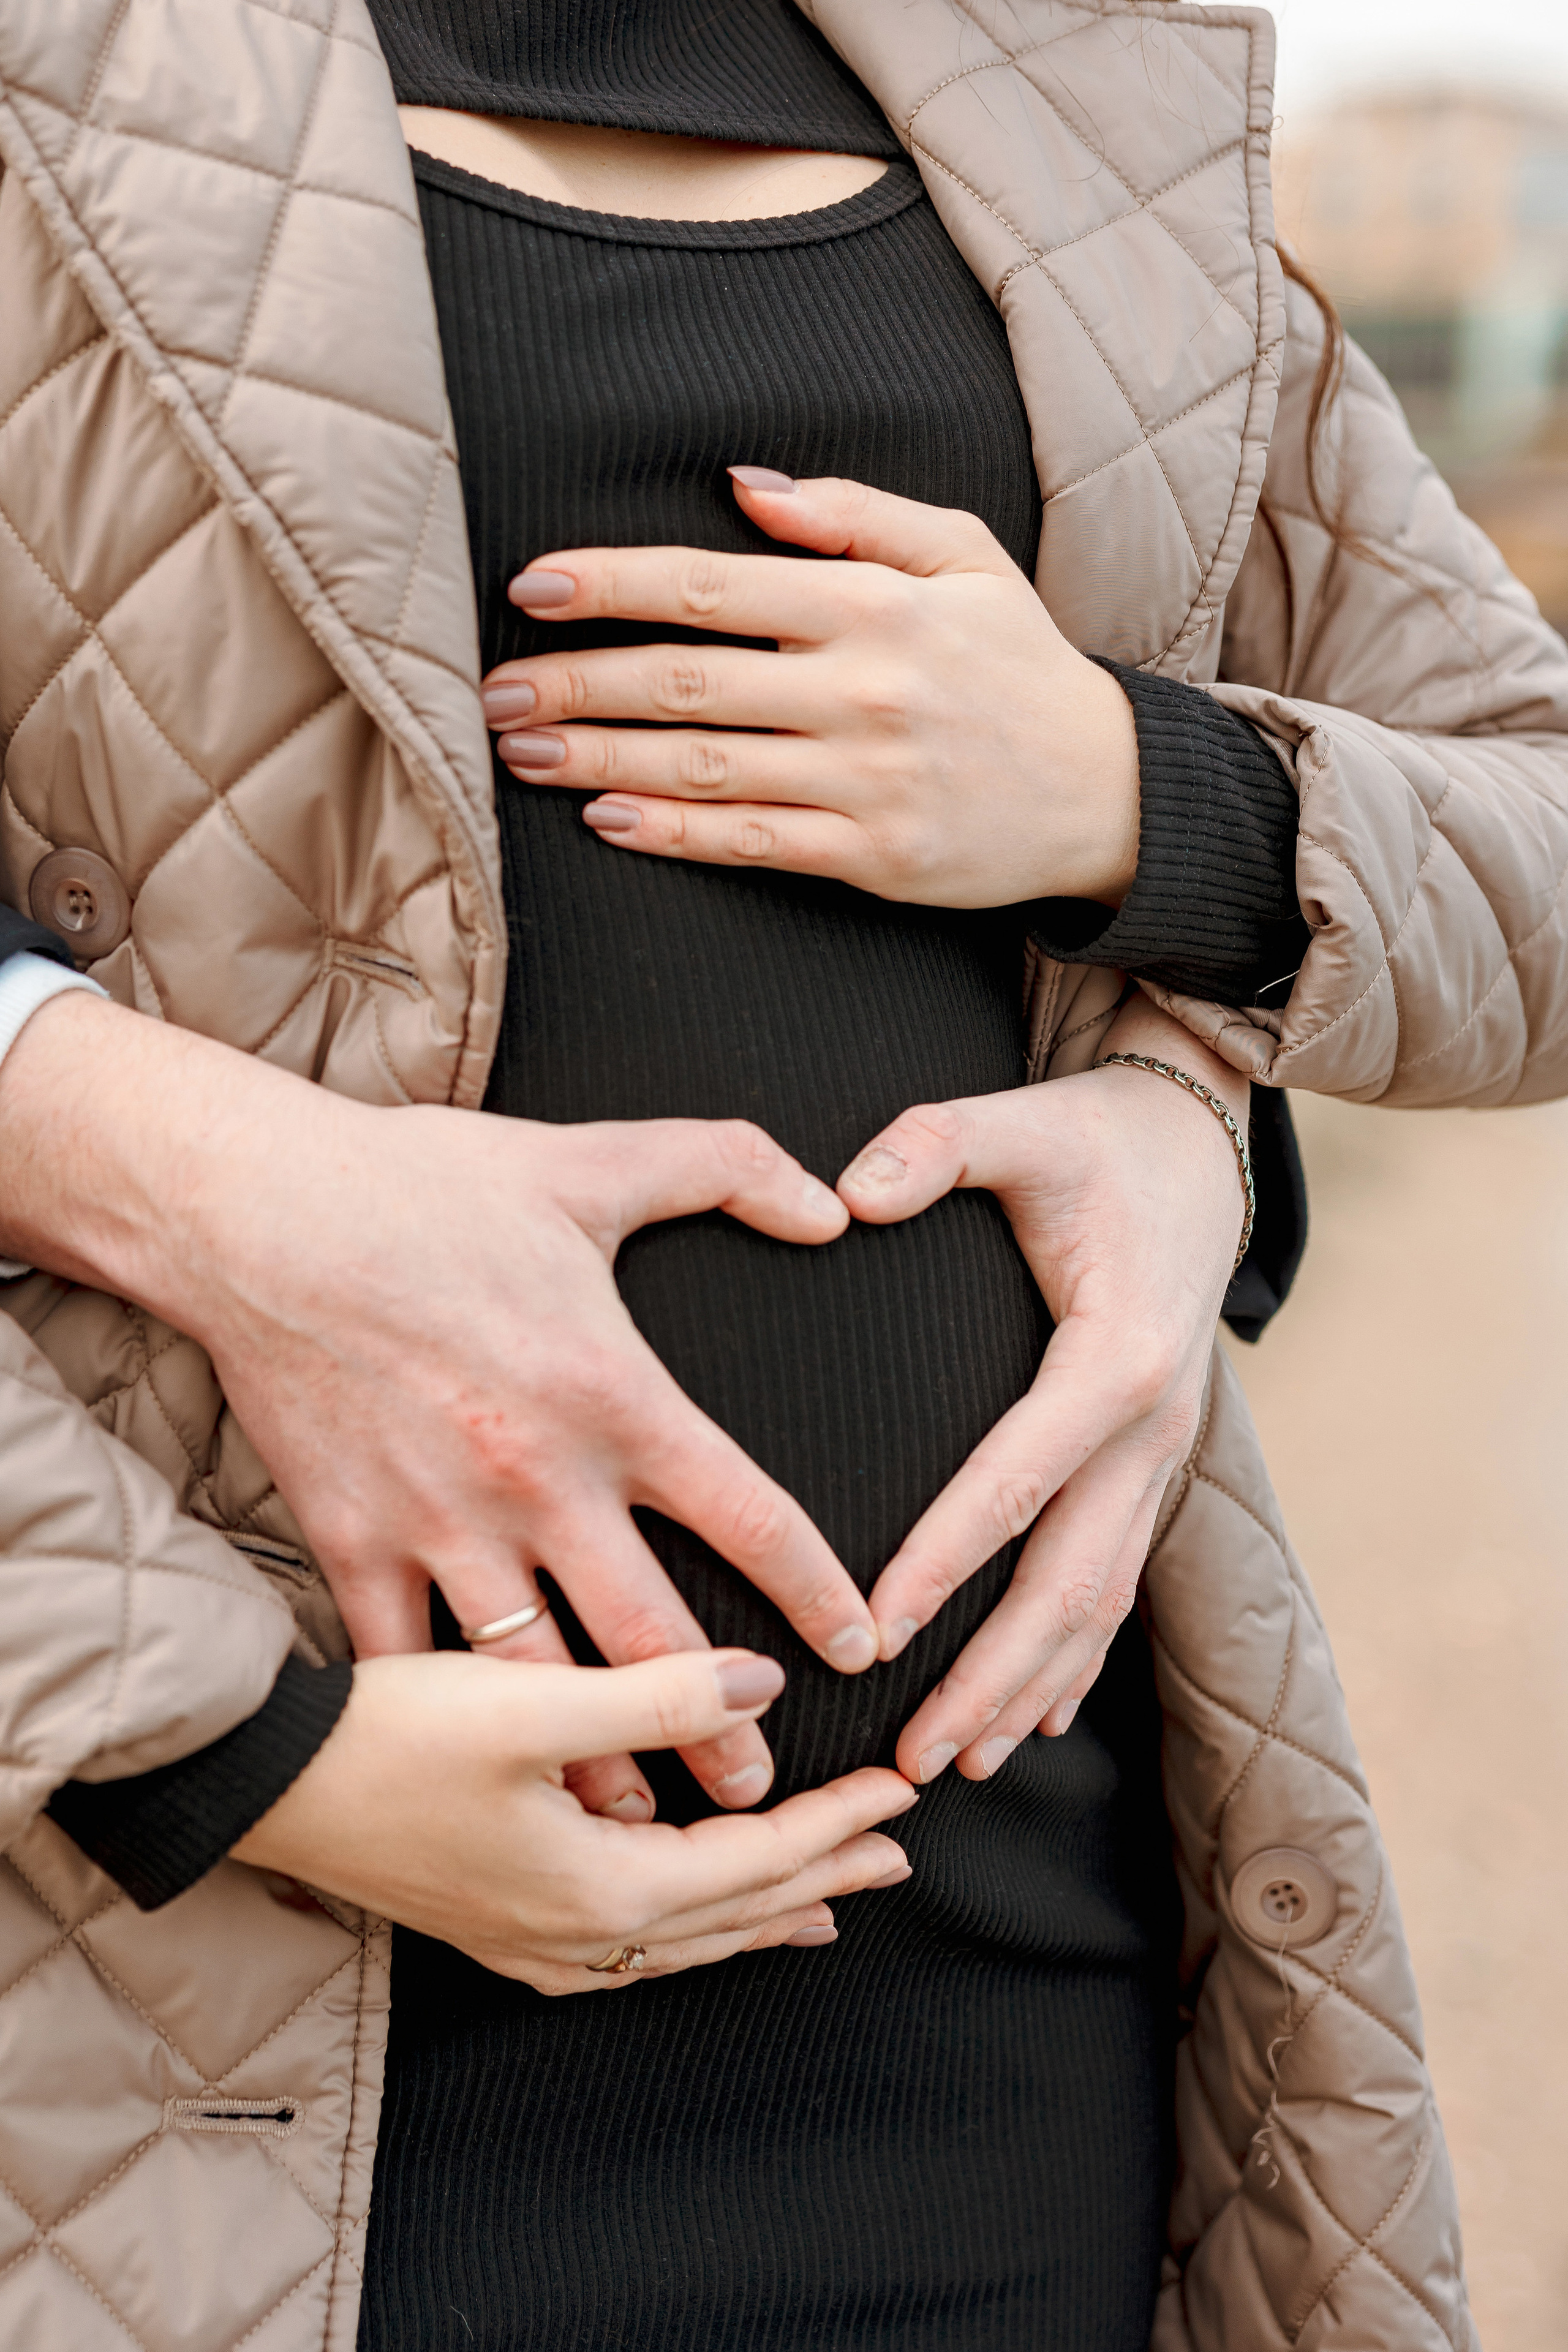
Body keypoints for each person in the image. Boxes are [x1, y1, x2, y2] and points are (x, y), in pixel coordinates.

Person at [1, 1, 1562, 2346]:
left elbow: (1531, 824)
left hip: (1008, 1996)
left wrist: (1151, 811)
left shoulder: (1090, 107)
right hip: (193, 2017)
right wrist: (221, 1746)